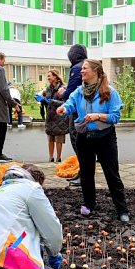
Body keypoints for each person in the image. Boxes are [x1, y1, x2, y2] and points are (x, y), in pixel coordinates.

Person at [56, 59, 129, 223]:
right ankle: (89, 205)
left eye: (85, 68)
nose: (81, 71)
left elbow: (115, 117)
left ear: (95, 71)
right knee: (86, 174)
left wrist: (98, 116)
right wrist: (64, 109)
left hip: (105, 138)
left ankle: (122, 209)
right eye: (82, 69)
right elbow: (70, 104)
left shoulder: (109, 92)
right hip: (84, 138)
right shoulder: (79, 91)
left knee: (112, 174)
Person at [57, 44, 86, 186]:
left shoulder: (77, 68)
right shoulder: (86, 65)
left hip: (76, 111)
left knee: (78, 141)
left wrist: (63, 93)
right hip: (85, 110)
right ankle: (83, 172)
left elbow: (72, 92)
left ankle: (84, 174)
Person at [39, 70, 69, 163]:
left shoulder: (63, 88)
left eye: (49, 76)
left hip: (60, 117)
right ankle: (51, 158)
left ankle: (58, 158)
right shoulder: (48, 89)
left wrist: (52, 101)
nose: (48, 78)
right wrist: (42, 100)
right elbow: (48, 100)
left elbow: (66, 103)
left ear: (55, 77)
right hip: (50, 116)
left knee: (58, 139)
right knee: (50, 138)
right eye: (47, 76)